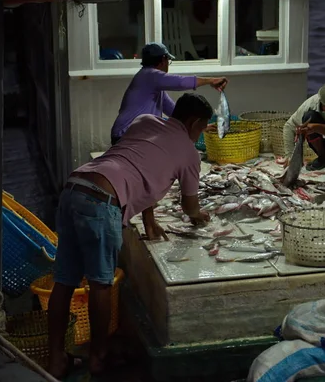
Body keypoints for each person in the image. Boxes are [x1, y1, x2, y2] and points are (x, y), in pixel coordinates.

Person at [48, 93, 212, 379]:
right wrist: (199, 216)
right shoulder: (189, 152)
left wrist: (149, 219)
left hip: (75, 187)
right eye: (201, 128)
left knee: (64, 281)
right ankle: (99, 359)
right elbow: (190, 206)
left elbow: (140, 164)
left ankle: (55, 359)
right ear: (195, 122)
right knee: (100, 284)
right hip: (102, 201)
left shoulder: (145, 121)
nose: (199, 135)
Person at [110, 42, 228, 145]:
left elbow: (174, 113)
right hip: (126, 136)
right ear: (163, 60)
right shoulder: (149, 75)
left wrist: (199, 127)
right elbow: (180, 83)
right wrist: (210, 81)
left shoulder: (152, 83)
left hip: (135, 135)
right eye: (168, 60)